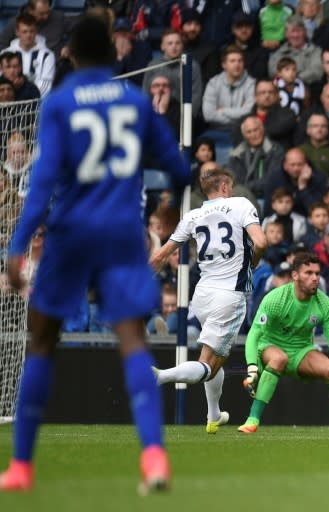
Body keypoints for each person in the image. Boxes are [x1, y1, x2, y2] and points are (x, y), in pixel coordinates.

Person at [0, 17, 189, 493]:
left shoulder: (59, 102)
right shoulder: (135, 99)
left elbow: (42, 182)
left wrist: (18, 246)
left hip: (70, 234)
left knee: (41, 341)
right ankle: (153, 458)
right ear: (110, 55)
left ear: (70, 56)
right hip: (123, 234)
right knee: (133, 343)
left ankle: (21, 467)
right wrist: (167, 208)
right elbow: (179, 166)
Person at [239, 252, 329, 435]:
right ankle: (252, 420)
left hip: (301, 351)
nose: (314, 278)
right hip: (269, 347)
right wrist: (252, 368)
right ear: (295, 276)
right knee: (279, 358)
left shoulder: (326, 305)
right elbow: (253, 335)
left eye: (317, 273)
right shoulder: (275, 299)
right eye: (308, 273)